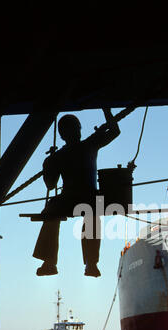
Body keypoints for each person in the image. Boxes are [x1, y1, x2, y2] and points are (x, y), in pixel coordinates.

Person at [33, 109, 120, 277]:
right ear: (75, 130)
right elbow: (115, 131)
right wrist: (106, 110)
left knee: (51, 213)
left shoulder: (61, 155)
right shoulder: (89, 144)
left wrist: (49, 162)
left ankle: (49, 262)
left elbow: (50, 185)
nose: (77, 132)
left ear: (61, 135)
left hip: (68, 199)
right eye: (76, 129)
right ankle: (91, 263)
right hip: (88, 197)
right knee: (93, 212)